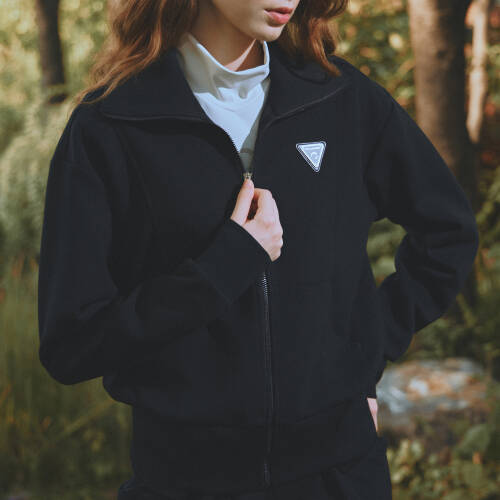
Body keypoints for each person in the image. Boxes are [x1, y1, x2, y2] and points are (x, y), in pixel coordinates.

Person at [37, 0, 479, 499]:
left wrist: (362, 353)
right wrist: (225, 266)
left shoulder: (341, 98)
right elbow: (71, 343)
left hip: (339, 478)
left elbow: (448, 233)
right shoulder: (111, 125)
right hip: (185, 483)